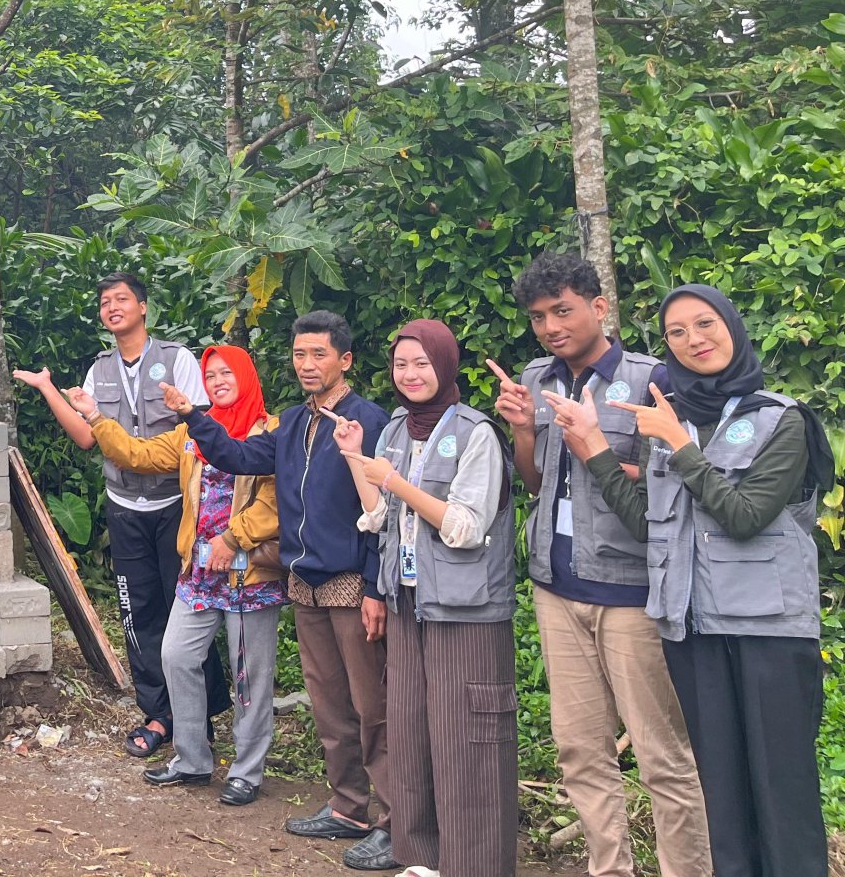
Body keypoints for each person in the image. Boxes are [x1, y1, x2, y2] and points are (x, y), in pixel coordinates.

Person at [560, 284, 833, 877]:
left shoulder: (782, 419)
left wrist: (680, 444)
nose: (693, 340)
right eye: (677, 332)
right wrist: (595, 447)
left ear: (732, 326)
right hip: (693, 631)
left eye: (705, 323)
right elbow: (647, 524)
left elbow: (745, 517)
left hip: (769, 633)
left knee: (782, 794)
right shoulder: (670, 420)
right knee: (722, 796)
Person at [489, 254, 710, 877]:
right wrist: (524, 431)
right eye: (539, 317)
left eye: (563, 311)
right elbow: (536, 484)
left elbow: (671, 496)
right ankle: (608, 868)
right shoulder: (537, 379)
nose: (551, 327)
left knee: (663, 755)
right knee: (581, 751)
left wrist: (597, 448)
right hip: (557, 587)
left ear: (599, 307)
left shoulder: (650, 381)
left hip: (632, 591)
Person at [177, 311, 396, 872]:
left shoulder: (370, 421)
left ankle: (396, 823)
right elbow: (238, 456)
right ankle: (349, 808)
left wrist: (376, 587)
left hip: (352, 586)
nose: (307, 365)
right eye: (300, 355)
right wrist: (195, 417)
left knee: (372, 707)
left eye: (319, 354)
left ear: (344, 360)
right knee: (329, 705)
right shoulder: (293, 422)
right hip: (305, 585)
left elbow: (385, 513)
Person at [68, 345, 284, 805]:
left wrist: (233, 539)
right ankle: (192, 759)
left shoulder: (271, 431)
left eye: (227, 373)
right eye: (212, 375)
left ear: (247, 376)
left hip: (249, 576)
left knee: (250, 677)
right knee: (177, 656)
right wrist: (95, 417)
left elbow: (274, 503)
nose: (219, 382)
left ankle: (247, 771)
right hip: (198, 570)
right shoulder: (192, 433)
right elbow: (139, 454)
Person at [339, 319, 518, 877]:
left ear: (444, 364)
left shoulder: (475, 432)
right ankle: (420, 857)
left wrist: (395, 481)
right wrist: (356, 457)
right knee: (411, 730)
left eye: (421, 363)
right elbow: (379, 516)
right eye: (401, 365)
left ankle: (474, 865)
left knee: (468, 740)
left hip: (466, 609)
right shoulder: (396, 428)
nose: (410, 374)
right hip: (408, 600)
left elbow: (463, 526)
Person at [12, 273, 207, 761]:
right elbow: (86, 435)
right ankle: (158, 714)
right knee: (138, 613)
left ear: (143, 307)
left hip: (177, 507)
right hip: (125, 510)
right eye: (105, 302)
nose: (113, 307)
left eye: (122, 299)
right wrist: (48, 389)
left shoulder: (177, 360)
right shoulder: (99, 370)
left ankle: (199, 716)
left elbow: (200, 430)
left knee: (186, 611)